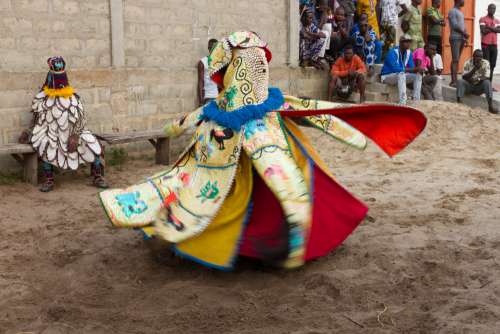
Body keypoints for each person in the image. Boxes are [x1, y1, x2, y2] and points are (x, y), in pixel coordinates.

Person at [99, 31, 427, 271]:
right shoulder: (258, 78)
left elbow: (182, 122)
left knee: (196, 180)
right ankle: (280, 239)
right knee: (285, 178)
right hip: (261, 122)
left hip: (232, 126)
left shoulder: (225, 74)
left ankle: (219, 240)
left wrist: (176, 125)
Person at [19, 57, 108, 192]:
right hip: (51, 133)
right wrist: (28, 132)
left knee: (92, 143)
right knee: (44, 144)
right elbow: (36, 119)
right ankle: (49, 179)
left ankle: (97, 176)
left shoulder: (73, 98)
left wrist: (76, 135)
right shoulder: (42, 99)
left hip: (73, 132)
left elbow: (82, 119)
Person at [381, 34, 423, 105]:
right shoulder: (392, 52)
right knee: (401, 74)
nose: (408, 43)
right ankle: (402, 101)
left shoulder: (409, 53)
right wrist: (413, 69)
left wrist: (418, 70)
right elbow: (395, 69)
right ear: (400, 43)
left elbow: (412, 67)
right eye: (406, 42)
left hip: (400, 75)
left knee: (418, 76)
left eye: (409, 42)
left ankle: (416, 100)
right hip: (387, 76)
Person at [457, 49, 499, 114]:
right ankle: (459, 102)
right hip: (469, 86)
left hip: (479, 88)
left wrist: (478, 79)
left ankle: (490, 107)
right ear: (473, 56)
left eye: (481, 57)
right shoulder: (468, 62)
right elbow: (464, 77)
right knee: (460, 81)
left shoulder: (485, 63)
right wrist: (475, 69)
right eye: (477, 56)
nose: (479, 58)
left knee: (487, 83)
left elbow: (487, 77)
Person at [448, 0, 469, 87]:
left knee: (456, 60)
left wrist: (465, 37)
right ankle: (453, 81)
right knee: (455, 60)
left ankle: (455, 80)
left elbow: (462, 26)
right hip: (455, 37)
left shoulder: (460, 12)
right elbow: (454, 25)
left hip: (461, 38)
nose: (464, 1)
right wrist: (464, 33)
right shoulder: (452, 11)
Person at [480, 3, 500, 83]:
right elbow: (483, 31)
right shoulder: (482, 19)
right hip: (485, 45)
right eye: (491, 8)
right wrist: (494, 29)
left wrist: (488, 27)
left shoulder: (497, 20)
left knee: (493, 65)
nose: (492, 10)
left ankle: (489, 83)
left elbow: (499, 30)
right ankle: (484, 83)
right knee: (486, 64)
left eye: (494, 9)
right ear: (487, 9)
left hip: (494, 45)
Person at [198, 39, 219, 107]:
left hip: (219, 97)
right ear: (208, 48)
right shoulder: (203, 62)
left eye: (215, 48)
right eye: (211, 47)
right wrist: (201, 101)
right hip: (208, 97)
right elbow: (201, 81)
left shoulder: (221, 62)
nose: (213, 50)